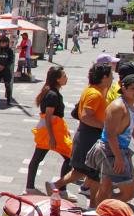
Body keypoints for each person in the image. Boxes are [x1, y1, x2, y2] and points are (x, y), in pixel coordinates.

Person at [47, 63, 113, 208]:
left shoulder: (92, 90)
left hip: (85, 135)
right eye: (111, 76)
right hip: (90, 137)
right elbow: (85, 116)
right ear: (104, 77)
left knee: (82, 170)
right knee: (94, 175)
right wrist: (105, 126)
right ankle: (93, 208)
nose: (113, 78)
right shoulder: (94, 94)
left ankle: (55, 186)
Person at [86, 74, 134, 204]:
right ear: (124, 88)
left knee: (106, 188)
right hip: (110, 151)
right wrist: (119, 157)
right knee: (129, 192)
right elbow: (110, 134)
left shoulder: (131, 106)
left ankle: (99, 214)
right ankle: (102, 213)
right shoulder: (118, 107)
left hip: (118, 151)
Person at [25, 67, 75, 201]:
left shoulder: (51, 92)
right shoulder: (52, 94)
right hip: (51, 131)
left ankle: (30, 187)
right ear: (58, 79)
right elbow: (48, 116)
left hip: (51, 130)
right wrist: (52, 138)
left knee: (38, 158)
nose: (66, 78)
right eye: (64, 76)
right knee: (69, 158)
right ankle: (61, 190)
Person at [0, 37, 15, 106]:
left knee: (7, 85)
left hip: (6, 70)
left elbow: (11, 61)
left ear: (7, 43)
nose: (2, 43)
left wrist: (3, 66)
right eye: (1, 42)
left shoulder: (10, 51)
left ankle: (8, 100)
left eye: (3, 42)